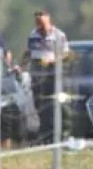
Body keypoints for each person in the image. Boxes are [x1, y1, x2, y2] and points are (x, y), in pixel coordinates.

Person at [21, 10, 70, 141]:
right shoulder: (33, 34)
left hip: (52, 74)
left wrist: (52, 60)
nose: (40, 26)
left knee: (52, 104)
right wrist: (21, 66)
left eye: (42, 23)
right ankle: (43, 133)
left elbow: (66, 54)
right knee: (39, 103)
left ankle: (55, 133)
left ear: (48, 20)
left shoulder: (59, 35)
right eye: (38, 23)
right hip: (37, 74)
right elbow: (28, 52)